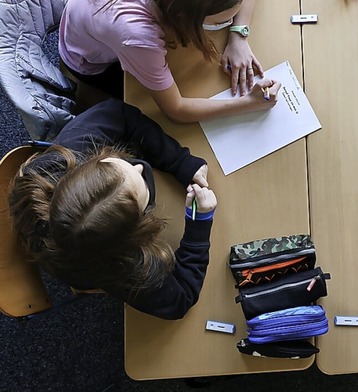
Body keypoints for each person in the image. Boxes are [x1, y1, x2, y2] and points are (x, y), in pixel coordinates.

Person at [8, 98, 216, 320]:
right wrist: (199, 222)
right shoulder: (117, 267)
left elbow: (117, 113)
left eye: (114, 163)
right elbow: (179, 300)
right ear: (139, 230)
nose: (137, 167)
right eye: (142, 188)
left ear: (87, 168)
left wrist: (179, 161)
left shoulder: (61, 160)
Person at [58, 0, 281, 123]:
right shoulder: (138, 35)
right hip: (89, 61)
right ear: (184, 18)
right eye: (216, 23)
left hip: (95, 17)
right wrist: (248, 103)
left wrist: (238, 36)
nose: (221, 27)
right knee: (147, 111)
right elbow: (176, 110)